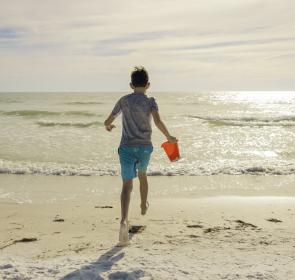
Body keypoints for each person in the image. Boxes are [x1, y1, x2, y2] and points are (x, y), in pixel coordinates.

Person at [104, 66, 177, 245]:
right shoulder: (151, 101)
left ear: (131, 85)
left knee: (127, 185)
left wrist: (108, 126)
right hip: (144, 148)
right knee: (143, 175)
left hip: (126, 148)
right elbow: (158, 121)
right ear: (148, 85)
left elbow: (108, 120)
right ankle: (144, 204)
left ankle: (123, 221)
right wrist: (169, 137)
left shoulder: (124, 101)